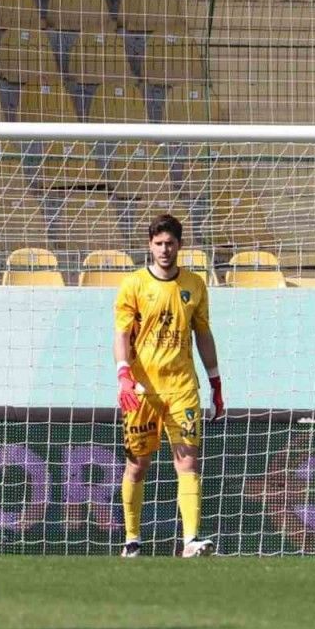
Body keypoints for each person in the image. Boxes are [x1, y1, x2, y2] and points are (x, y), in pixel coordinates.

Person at [113, 213, 225, 558]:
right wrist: (123, 375)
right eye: (159, 243)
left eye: (170, 243)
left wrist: (216, 382)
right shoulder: (134, 285)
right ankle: (132, 539)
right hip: (142, 391)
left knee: (188, 463)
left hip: (182, 388)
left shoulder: (195, 285)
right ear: (150, 245)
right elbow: (122, 334)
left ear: (180, 245)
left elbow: (203, 334)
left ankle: (190, 540)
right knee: (138, 465)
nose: (164, 249)